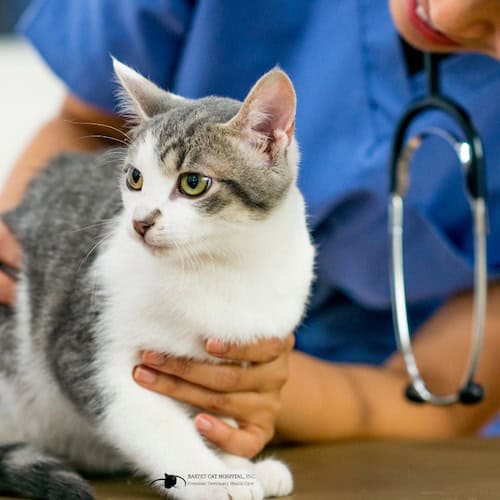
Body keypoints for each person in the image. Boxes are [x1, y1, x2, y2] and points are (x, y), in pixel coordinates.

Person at [2, 0, 500, 459]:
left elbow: (449, 398)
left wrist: (264, 389)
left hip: (354, 420)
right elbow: (81, 126)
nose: (464, 25)